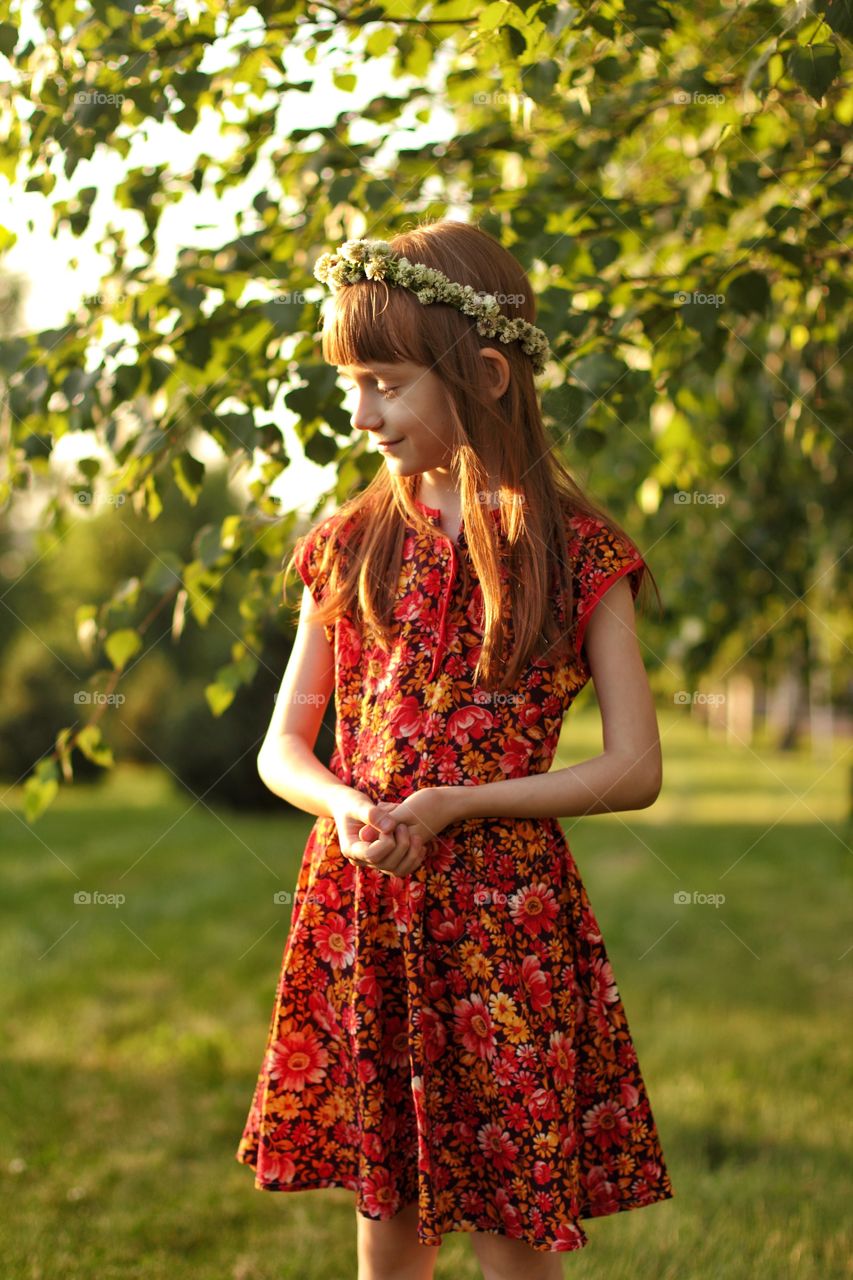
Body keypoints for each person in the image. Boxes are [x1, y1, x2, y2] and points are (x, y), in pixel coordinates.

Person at [235, 220, 675, 1280]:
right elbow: (282, 746)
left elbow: (634, 769)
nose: (360, 415)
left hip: (506, 921)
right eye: (350, 385)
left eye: (385, 385)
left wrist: (458, 803)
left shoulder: (579, 555)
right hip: (369, 909)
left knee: (512, 1211)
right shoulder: (348, 546)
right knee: (387, 1217)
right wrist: (342, 803)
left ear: (483, 374)